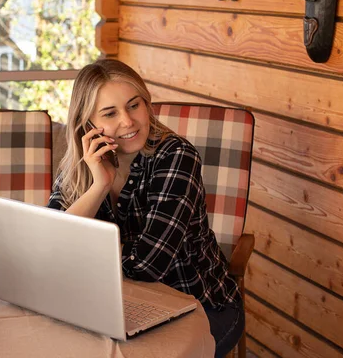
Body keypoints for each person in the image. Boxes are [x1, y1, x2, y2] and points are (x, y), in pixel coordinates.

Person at [47, 59, 244, 357]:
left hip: (199, 306)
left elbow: (148, 265)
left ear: (147, 103)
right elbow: (50, 244)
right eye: (110, 113)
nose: (127, 121)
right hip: (116, 304)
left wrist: (84, 251)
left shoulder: (177, 156)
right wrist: (99, 186)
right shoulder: (83, 162)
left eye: (133, 105)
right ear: (88, 124)